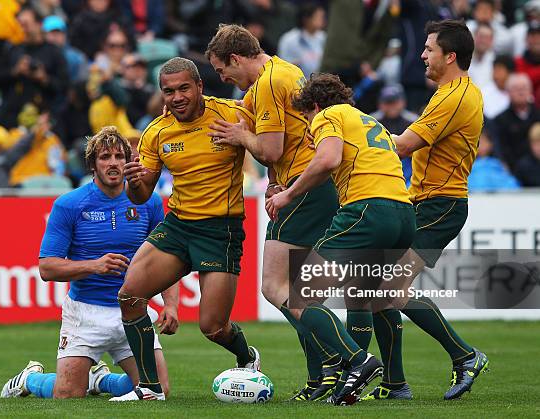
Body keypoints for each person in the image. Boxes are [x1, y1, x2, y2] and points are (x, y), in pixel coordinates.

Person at [109, 57, 260, 402]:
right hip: (178, 226)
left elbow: (269, 147)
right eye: (168, 91)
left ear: (199, 87)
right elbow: (141, 194)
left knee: (213, 327)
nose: (176, 97)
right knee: (130, 296)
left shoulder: (232, 113)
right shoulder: (156, 132)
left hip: (220, 230)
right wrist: (133, 182)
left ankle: (247, 357)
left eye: (183, 89)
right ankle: (148, 389)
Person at [205, 24, 342, 402]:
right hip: (305, 186)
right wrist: (272, 181)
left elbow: (271, 149)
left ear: (236, 58)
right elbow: (286, 140)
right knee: (301, 292)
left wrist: (239, 137)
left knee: (274, 286)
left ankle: (348, 359)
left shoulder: (266, 82)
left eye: (222, 70)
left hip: (305, 189)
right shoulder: (288, 70)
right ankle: (322, 378)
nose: (224, 79)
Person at [265, 72, 416, 406]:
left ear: (315, 105)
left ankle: (357, 361)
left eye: (306, 117)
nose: (308, 125)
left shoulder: (328, 115)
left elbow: (329, 158)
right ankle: (395, 381)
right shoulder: (367, 119)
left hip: (368, 211)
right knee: (373, 296)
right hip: (404, 215)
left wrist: (288, 194)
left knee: (300, 294)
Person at [0, 126, 175, 399]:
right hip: (85, 314)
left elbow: (165, 258)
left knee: (157, 390)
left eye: (120, 156)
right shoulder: (70, 204)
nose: (114, 163)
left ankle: (101, 381)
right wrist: (94, 266)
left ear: (129, 162)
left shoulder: (150, 202)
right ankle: (31, 379)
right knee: (68, 394)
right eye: (105, 157)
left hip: (133, 310)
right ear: (93, 164)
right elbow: (47, 267)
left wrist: (171, 305)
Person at [364, 19, 489, 401]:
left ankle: (465, 356)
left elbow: (402, 146)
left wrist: (352, 136)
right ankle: (394, 384)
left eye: (429, 48)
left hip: (440, 205)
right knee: (378, 290)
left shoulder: (455, 97)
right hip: (423, 202)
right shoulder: (450, 93)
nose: (421, 55)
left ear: (450, 56)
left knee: (388, 288)